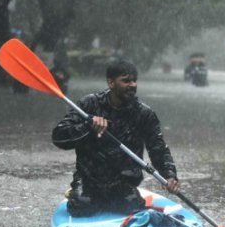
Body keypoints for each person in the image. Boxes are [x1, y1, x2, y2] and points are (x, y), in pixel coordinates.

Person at [52, 59, 180, 216]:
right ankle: (76, 191)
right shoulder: (88, 105)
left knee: (131, 208)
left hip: (123, 183)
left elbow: (158, 148)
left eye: (134, 81)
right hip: (89, 180)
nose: (132, 85)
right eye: (126, 81)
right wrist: (88, 125)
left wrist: (169, 175)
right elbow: (59, 137)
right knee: (82, 206)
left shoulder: (144, 114)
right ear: (111, 83)